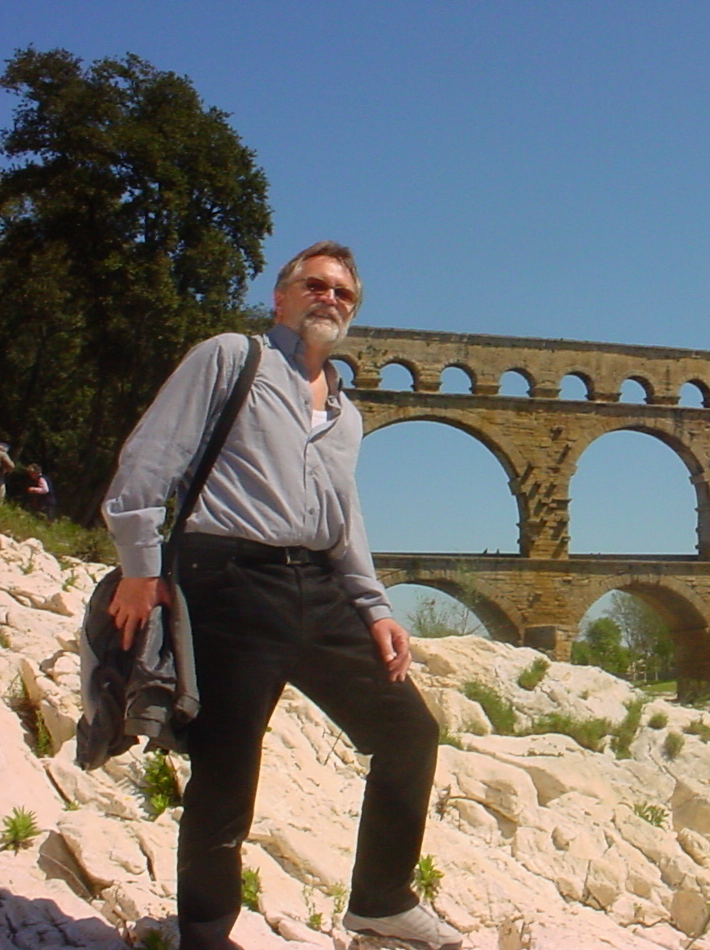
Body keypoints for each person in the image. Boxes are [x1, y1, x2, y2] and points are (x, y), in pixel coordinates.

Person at [103, 242, 459, 950]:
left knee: (409, 732)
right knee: (228, 769)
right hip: (227, 578)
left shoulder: (347, 413)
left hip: (315, 585)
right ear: (281, 297)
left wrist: (376, 606)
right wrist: (140, 568)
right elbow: (150, 458)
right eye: (316, 286)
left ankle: (382, 899)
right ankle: (205, 933)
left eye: (344, 294)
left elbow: (343, 517)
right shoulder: (230, 359)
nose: (330, 299)